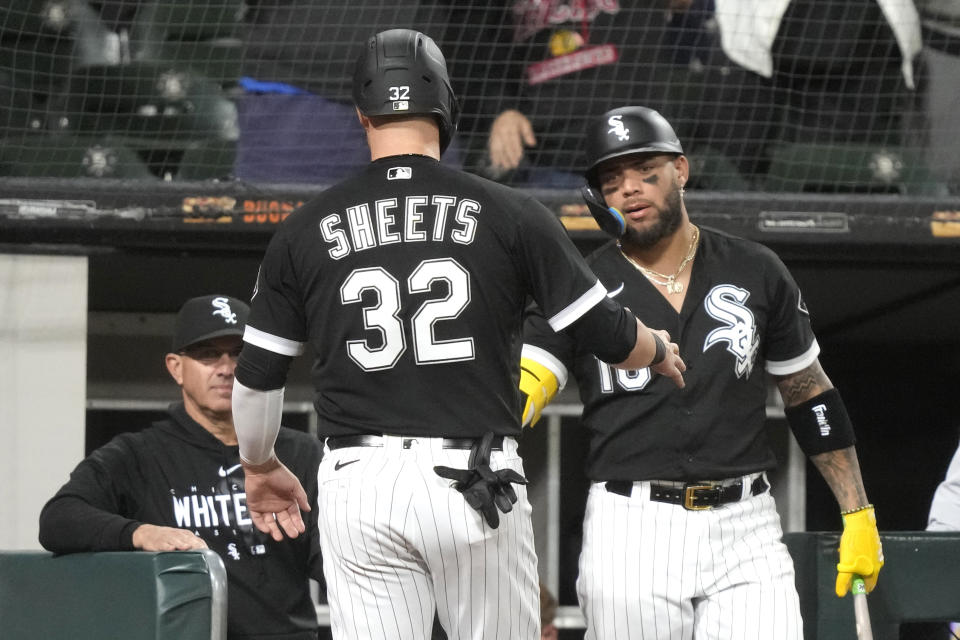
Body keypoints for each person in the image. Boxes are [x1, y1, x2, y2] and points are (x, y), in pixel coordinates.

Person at [228, 29, 685, 640]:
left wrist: (259, 465)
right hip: (471, 476)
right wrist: (656, 349)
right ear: (445, 105)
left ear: (362, 115)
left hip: (359, 481)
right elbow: (604, 332)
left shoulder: (303, 229)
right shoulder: (512, 211)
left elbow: (257, 379)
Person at [518, 106, 884, 639]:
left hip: (746, 523)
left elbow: (809, 394)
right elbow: (529, 378)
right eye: (612, 180)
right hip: (631, 524)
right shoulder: (582, 282)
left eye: (647, 171)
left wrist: (858, 512)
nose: (631, 189)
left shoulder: (755, 267)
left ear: (681, 170)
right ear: (598, 196)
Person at [38, 294, 325, 640]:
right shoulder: (139, 455)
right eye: (207, 354)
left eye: (239, 353)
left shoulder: (299, 454)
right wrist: (140, 534)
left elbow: (336, 559)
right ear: (176, 367)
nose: (226, 367)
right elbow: (59, 518)